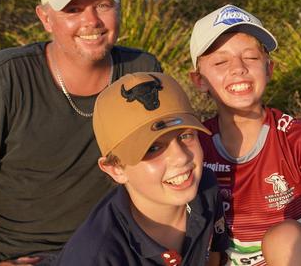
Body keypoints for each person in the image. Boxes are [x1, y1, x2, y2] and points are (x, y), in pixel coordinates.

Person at [0, 0, 162, 265]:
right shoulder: (6, 76)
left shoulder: (141, 71)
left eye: (103, 5)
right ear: (45, 17)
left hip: (107, 248)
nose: (92, 21)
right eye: (72, 9)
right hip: (17, 253)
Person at [188, 5, 301, 266]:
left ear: (269, 69)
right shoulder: (196, 145)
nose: (238, 68)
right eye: (220, 61)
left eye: (250, 57)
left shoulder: (300, 138)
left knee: (284, 238)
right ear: (199, 80)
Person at [55, 72, 229, 265]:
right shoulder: (97, 256)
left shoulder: (205, 188)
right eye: (153, 148)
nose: (180, 157)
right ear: (115, 169)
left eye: (185, 136)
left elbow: (214, 256)